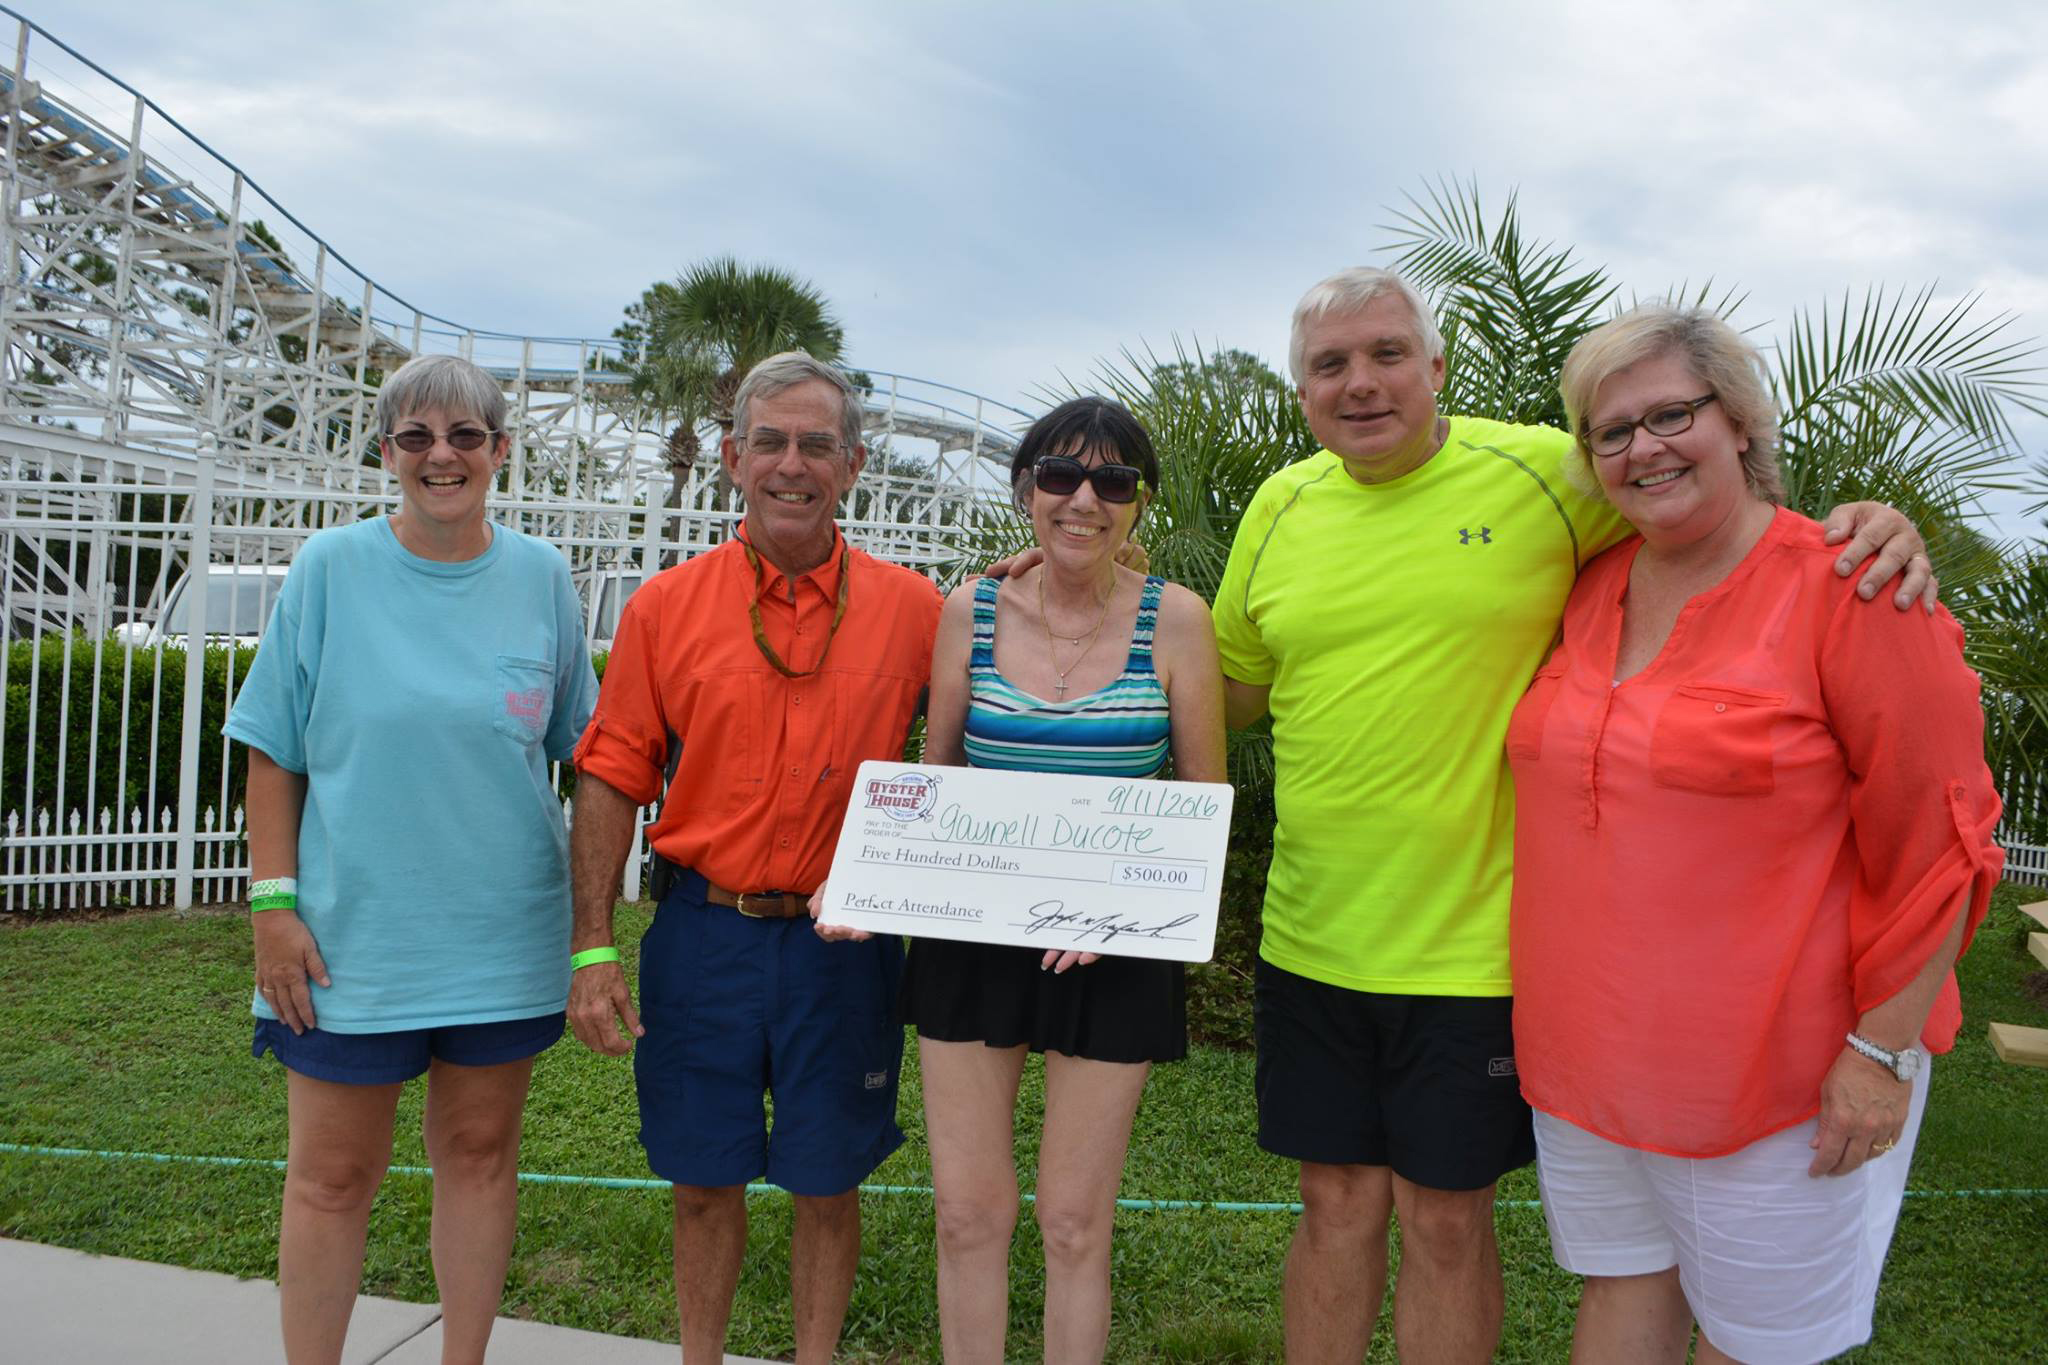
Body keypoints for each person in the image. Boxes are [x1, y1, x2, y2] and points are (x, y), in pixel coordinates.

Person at [1208, 267, 1939, 1363]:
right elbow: (1225, 694)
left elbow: (1724, 523)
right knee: (1331, 1204)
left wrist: (1873, 528)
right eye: (1328, 365)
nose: (1360, 383)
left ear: (1436, 368)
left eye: (1386, 355)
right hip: (1308, 941)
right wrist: (1088, 600)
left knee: (1446, 1220)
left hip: (1475, 955)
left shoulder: (1551, 472)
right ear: (1300, 390)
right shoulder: (1279, 505)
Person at [1507, 304, 2002, 1365]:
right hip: (1585, 1064)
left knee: (1759, 1347)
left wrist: (1877, 1052)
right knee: (1619, 1296)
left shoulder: (1853, 587)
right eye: (1609, 431)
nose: (1641, 447)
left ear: (1734, 420)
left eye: (1668, 414)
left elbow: (1945, 841)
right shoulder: (1586, 590)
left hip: (1781, 1081)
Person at [822, 398, 1225, 1362]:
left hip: (1115, 947)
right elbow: (940, 776)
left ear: (1140, 506)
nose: (1084, 498)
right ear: (1025, 489)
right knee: (966, 1213)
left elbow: (1205, 805)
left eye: (1113, 481)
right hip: (974, 936)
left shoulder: (1178, 620)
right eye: (1059, 475)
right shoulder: (973, 606)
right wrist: (881, 887)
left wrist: (1121, 909)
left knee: (1075, 1222)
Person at [565, 351, 943, 1365]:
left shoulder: (919, 614)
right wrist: (592, 946)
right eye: (768, 442)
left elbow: (960, 762)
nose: (790, 464)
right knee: (701, 1180)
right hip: (702, 936)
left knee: (828, 1182)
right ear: (732, 458)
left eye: (814, 444)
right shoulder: (665, 608)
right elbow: (610, 773)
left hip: (844, 947)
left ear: (852, 465)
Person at [223, 353, 599, 1365]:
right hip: (350, 939)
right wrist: (272, 905)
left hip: (500, 932)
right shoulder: (330, 570)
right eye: (418, 437)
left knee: (478, 1159)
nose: (443, 456)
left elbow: (590, 746)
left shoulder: (540, 580)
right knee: (330, 1178)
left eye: (466, 436)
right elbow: (272, 747)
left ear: (501, 453)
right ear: (386, 453)